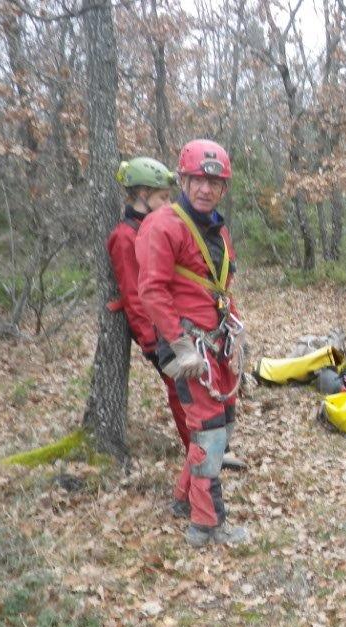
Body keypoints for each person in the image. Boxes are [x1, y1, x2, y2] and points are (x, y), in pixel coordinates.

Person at [137, 139, 250, 547]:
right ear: (183, 179)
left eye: (214, 182)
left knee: (223, 427)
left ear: (223, 188)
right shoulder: (163, 225)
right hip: (187, 345)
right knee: (209, 433)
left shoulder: (217, 229)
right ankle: (206, 525)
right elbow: (151, 290)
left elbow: (221, 287)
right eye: (198, 180)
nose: (206, 188)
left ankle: (185, 498)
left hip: (216, 342)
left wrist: (237, 331)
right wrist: (179, 344)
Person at [108, 158, 189, 449]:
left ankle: (206, 447)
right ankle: (196, 452)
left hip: (176, 322)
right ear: (142, 195)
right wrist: (152, 343)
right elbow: (134, 294)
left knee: (193, 389)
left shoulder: (156, 228)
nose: (169, 204)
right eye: (163, 198)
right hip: (157, 334)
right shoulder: (125, 236)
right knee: (180, 390)